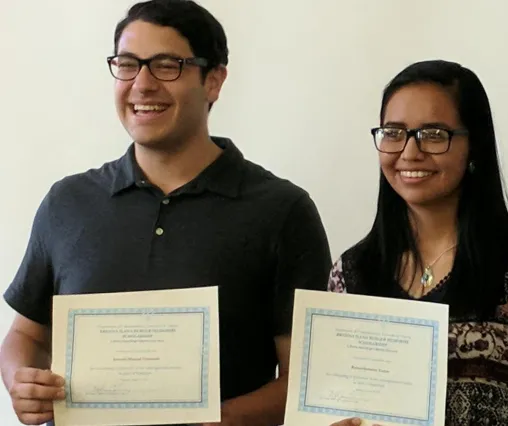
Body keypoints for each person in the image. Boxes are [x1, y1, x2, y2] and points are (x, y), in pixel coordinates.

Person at [0, 1, 332, 425]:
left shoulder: (283, 210)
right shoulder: (67, 202)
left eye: (166, 65)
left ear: (214, 80)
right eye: (127, 64)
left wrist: (225, 418)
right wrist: (19, 382)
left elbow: (308, 380)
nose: (142, 84)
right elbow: (25, 335)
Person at [326, 60, 508, 426]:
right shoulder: (351, 272)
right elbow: (328, 401)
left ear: (473, 146)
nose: (409, 152)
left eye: (434, 134)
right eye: (394, 132)